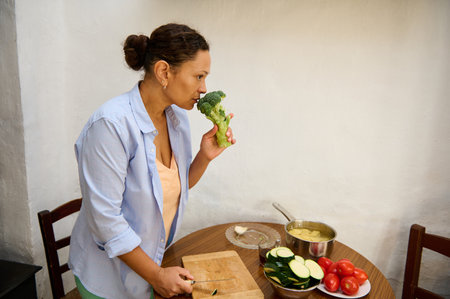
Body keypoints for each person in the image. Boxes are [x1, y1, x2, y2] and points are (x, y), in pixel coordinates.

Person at [68, 23, 235, 299]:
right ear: (163, 72)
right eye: (198, 76)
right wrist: (157, 275)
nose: (204, 88)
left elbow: (172, 189)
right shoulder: (111, 125)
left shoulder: (177, 118)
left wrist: (204, 157)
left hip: (153, 269)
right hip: (108, 281)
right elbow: (106, 222)